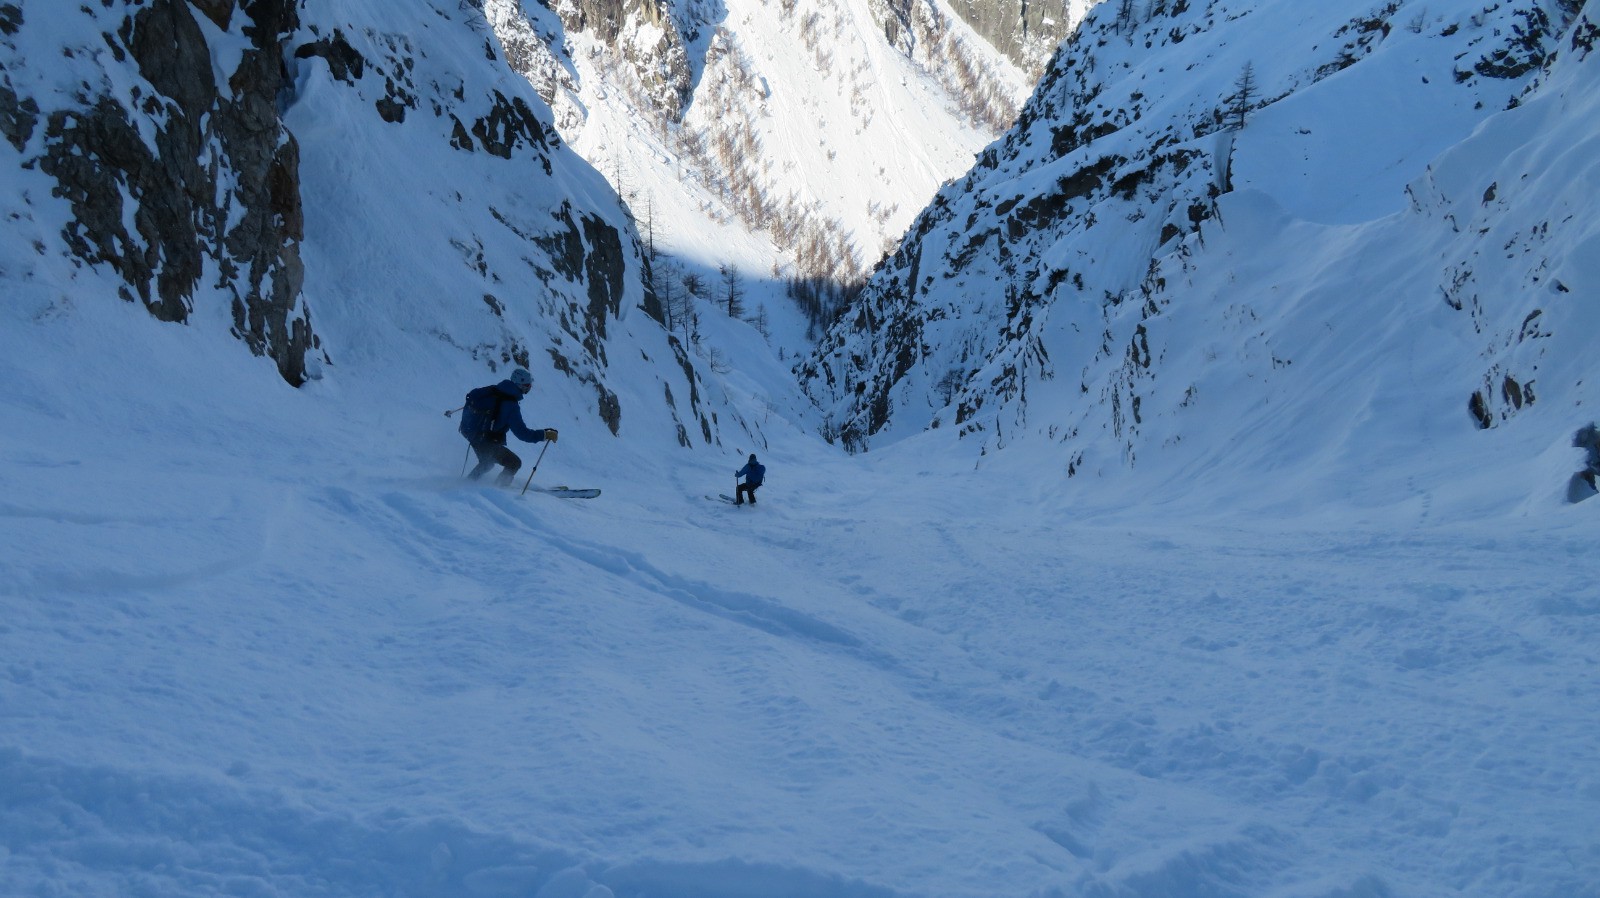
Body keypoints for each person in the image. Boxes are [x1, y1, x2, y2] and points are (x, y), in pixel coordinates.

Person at [457, 368, 557, 486]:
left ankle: (468, 484)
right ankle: (499, 488)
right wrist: (544, 435)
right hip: (484, 439)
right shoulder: (510, 405)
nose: (529, 388)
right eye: (527, 385)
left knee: (487, 463)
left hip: (472, 433)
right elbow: (522, 433)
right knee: (514, 463)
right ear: (519, 384)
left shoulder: (495, 390)